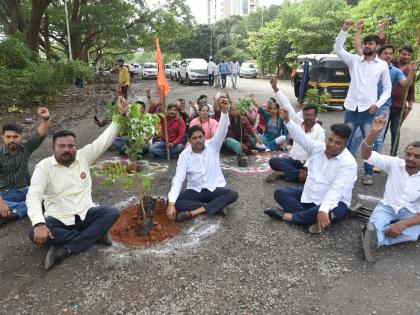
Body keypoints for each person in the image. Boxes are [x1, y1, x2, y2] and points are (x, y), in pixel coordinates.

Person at [26, 97, 128, 270]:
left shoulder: (83, 156)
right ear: (53, 149)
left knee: (111, 213)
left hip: (85, 213)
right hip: (59, 219)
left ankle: (65, 249)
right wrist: (39, 223)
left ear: (75, 146)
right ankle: (95, 235)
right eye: (62, 146)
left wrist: (120, 114)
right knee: (33, 234)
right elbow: (33, 196)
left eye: (70, 146)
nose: (67, 149)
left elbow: (104, 140)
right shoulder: (43, 167)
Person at [265, 108, 357, 234]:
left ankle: (289, 217)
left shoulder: (349, 163)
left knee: (333, 210)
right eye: (330, 140)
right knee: (280, 193)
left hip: (333, 201)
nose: (331, 144)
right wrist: (287, 120)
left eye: (337, 143)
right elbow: (301, 138)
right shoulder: (318, 148)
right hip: (310, 195)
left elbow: (337, 190)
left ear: (345, 145)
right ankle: (311, 219)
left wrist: (323, 209)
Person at [353, 25, 416, 185]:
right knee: (358, 137)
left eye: (390, 54)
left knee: (379, 139)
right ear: (379, 53)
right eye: (385, 53)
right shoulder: (370, 64)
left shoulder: (395, 71)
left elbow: (406, 84)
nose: (388, 56)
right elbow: (363, 47)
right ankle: (346, 165)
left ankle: (370, 171)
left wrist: (413, 72)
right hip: (366, 106)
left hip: (384, 107)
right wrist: (376, 31)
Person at [166, 97, 238, 222]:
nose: (198, 140)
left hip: (214, 188)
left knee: (232, 194)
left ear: (205, 137)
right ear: (189, 141)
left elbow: (222, 130)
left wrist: (225, 112)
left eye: (200, 137)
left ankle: (195, 212)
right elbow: (178, 179)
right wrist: (171, 205)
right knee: (173, 200)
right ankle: (217, 206)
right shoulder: (184, 155)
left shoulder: (213, 145)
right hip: (196, 190)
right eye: (194, 138)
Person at [361, 115, 420, 263]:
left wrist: (402, 224)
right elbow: (366, 156)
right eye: (409, 154)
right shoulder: (395, 163)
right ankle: (373, 237)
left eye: (417, 156)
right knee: (377, 222)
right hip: (387, 206)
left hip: (410, 212)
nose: (411, 158)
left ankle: (374, 238)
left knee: (413, 233)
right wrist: (373, 132)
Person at [334, 19, 391, 156]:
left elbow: (388, 88)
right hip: (351, 109)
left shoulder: (382, 65)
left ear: (377, 47)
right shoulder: (354, 60)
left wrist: (377, 105)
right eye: (365, 43)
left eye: (370, 44)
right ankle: (342, 171)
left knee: (369, 143)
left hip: (368, 111)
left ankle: (369, 174)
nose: (366, 46)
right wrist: (344, 29)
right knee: (344, 140)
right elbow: (338, 49)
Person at [266, 78, 325, 183]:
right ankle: (293, 174)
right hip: (293, 161)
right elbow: (287, 104)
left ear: (316, 116)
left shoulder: (319, 131)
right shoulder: (298, 122)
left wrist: (306, 168)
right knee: (273, 161)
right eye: (306, 114)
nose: (308, 117)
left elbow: (316, 155)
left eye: (311, 115)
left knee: (310, 172)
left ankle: (284, 173)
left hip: (306, 163)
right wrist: (275, 88)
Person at [0, 108, 49, 227]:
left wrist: (45, 119)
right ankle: (36, 206)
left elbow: (40, 135)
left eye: (15, 137)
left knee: (51, 193)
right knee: (45, 201)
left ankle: (14, 212)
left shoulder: (25, 148)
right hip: (5, 195)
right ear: (3, 138)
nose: (12, 140)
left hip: (25, 191)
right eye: (8, 137)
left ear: (20, 137)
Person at [387, 45, 417, 156]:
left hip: (400, 106)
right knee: (381, 132)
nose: (406, 56)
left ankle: (392, 156)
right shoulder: (390, 64)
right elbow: (383, 48)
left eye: (409, 55)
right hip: (386, 104)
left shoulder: (411, 70)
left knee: (395, 131)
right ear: (399, 53)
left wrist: (410, 105)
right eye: (404, 54)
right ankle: (375, 159)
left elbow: (411, 88)